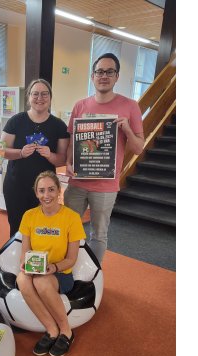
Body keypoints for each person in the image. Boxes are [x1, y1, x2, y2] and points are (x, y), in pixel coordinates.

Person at [63, 53, 144, 264]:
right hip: (78, 182)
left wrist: (126, 127)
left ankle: (92, 274)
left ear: (117, 76)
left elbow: (138, 148)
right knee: (67, 229)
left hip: (106, 186)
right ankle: (66, 269)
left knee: (98, 235)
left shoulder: (130, 106)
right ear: (92, 76)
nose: (104, 76)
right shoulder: (80, 106)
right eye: (100, 71)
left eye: (109, 72)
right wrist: (69, 162)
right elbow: (72, 140)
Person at [17, 171, 86, 356]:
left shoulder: (71, 218)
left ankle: (66, 331)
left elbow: (71, 259)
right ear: (36, 193)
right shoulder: (29, 216)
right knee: (22, 280)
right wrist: (25, 265)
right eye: (41, 191)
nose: (46, 195)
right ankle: (51, 330)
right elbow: (25, 251)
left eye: (51, 190)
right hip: (37, 268)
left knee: (42, 282)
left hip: (61, 273)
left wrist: (53, 268)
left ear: (58, 191)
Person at [1, 79, 70, 238]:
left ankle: (38, 261)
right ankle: (17, 262)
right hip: (16, 185)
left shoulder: (59, 125)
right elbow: (1, 151)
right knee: (17, 229)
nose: (40, 98)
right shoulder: (16, 121)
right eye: (35, 94)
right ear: (29, 98)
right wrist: (20, 153)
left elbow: (61, 159)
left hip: (45, 189)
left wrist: (49, 155)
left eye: (44, 94)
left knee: (42, 230)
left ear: (50, 97)